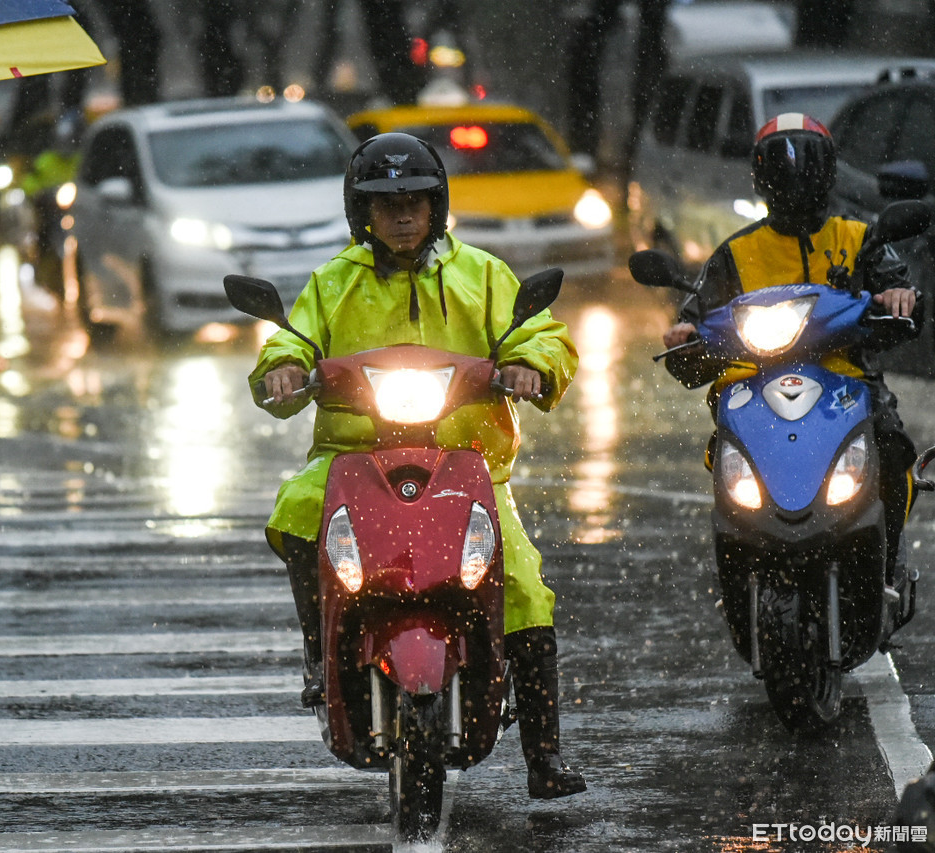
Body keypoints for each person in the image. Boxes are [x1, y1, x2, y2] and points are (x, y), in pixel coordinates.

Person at [250, 132, 586, 799]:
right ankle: (321, 654)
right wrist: (283, 368)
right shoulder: (333, 282)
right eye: (387, 204)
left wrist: (530, 365)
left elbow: (541, 335)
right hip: (353, 458)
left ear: (438, 206)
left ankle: (544, 755)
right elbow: (291, 339)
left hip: (469, 466)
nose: (403, 215)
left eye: (416, 202)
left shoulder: (483, 275)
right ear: (362, 213)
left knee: (521, 586)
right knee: (294, 511)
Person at [662, 113, 920, 585]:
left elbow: (901, 298)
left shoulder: (860, 238)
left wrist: (899, 299)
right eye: (780, 164)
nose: (795, 175)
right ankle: (741, 572)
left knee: (892, 447)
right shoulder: (734, 253)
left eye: (808, 161)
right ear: (763, 174)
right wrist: (683, 336)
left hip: (847, 383)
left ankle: (890, 563)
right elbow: (694, 321)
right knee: (728, 458)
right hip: (750, 389)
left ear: (829, 171)